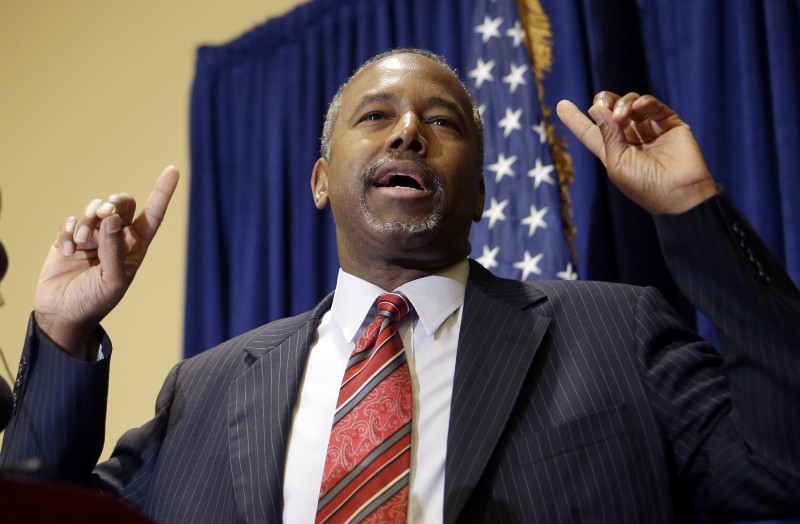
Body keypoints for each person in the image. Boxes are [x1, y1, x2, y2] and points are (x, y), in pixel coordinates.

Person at [1, 48, 798, 523]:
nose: (410, 130)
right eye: (375, 116)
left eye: (443, 121)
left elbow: (780, 471)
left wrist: (694, 210)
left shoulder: (614, 333)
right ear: (320, 181)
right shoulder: (202, 391)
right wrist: (64, 332)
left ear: (481, 193)